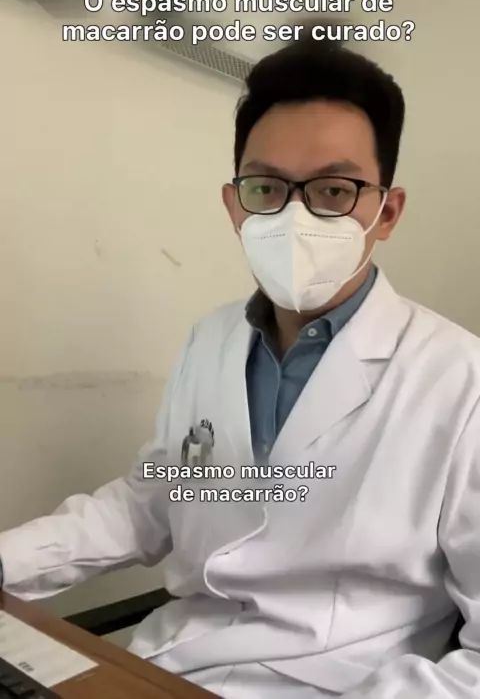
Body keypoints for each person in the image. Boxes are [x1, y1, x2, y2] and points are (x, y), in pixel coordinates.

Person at [2, 37, 480, 699]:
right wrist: (9, 560)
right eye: (266, 188)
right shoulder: (211, 340)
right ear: (235, 206)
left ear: (386, 212)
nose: (294, 215)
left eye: (334, 190)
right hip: (163, 668)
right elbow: (153, 501)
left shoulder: (460, 379)